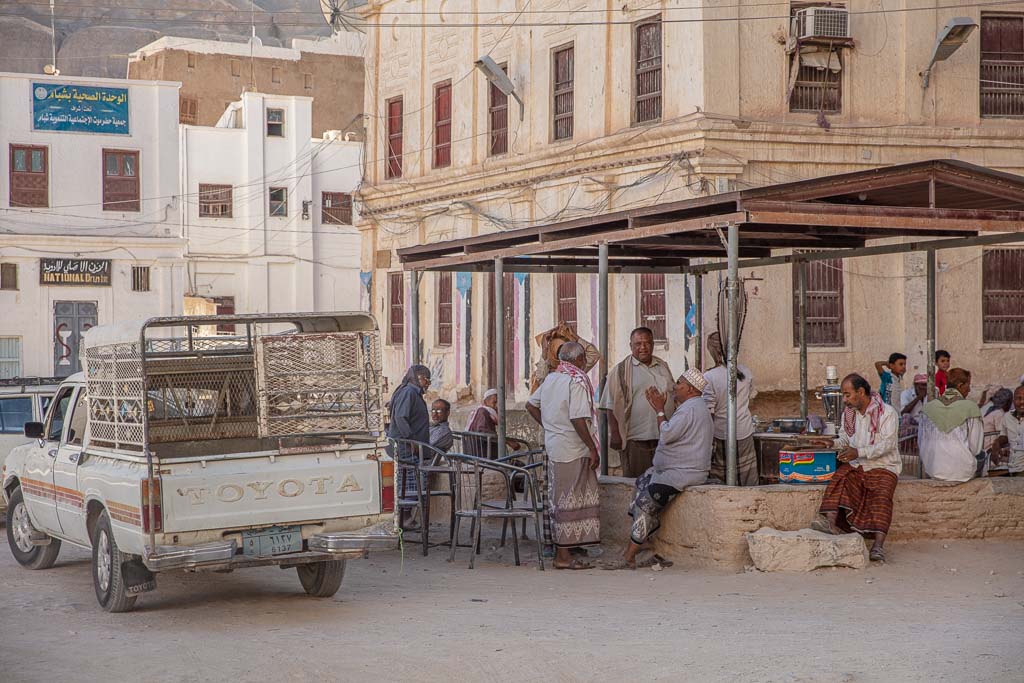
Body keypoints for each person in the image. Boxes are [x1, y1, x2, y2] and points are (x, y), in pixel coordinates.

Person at [604, 369, 713, 570]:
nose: (675, 387)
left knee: (647, 503)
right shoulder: (693, 406)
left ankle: (629, 556)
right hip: (673, 470)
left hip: (683, 473)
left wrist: (660, 410)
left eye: (679, 383)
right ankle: (644, 543)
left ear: (690, 389)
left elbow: (667, 434)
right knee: (642, 482)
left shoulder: (691, 409)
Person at [526, 342, 601, 570]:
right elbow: (578, 418)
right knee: (568, 500)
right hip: (572, 448)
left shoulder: (551, 379)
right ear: (578, 360)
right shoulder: (575, 381)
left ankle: (566, 551)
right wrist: (592, 447)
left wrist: (549, 426)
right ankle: (563, 556)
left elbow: (531, 405)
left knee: (564, 498)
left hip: (556, 445)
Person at [810, 374, 900, 563]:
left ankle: (877, 546)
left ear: (861, 392)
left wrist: (859, 452)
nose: (844, 400)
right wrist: (829, 444)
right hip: (858, 463)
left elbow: (888, 445)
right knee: (841, 477)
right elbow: (845, 439)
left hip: (883, 465)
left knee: (882, 494)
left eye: (847, 395)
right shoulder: (849, 414)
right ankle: (830, 524)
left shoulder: (887, 413)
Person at [598, 327, 676, 478]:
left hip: (663, 439)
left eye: (647, 343)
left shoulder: (662, 366)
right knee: (637, 483)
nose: (643, 347)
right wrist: (615, 433)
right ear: (631, 346)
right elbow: (609, 404)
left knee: (661, 484)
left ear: (653, 344)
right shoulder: (620, 371)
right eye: (638, 344)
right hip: (635, 440)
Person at [702, 332, 757, 485]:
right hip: (745, 431)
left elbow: (708, 412)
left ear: (712, 351)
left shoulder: (709, 377)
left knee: (722, 481)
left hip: (721, 434)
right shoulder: (745, 372)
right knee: (748, 480)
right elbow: (749, 399)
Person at [917, 368, 984, 482]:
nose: (969, 389)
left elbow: (921, 443)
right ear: (960, 385)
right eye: (968, 385)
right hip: (962, 472)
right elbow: (976, 448)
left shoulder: (927, 408)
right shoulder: (970, 407)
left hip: (933, 469)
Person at [387, 365, 432, 510]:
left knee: (411, 485)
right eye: (427, 380)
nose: (428, 384)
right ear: (419, 378)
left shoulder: (413, 393)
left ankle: (407, 518)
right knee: (409, 485)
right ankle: (405, 518)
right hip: (405, 448)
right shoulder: (409, 392)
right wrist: (411, 440)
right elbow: (401, 418)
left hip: (410, 447)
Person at [993, 385, 1024, 475]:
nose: (1022, 402)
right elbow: (1004, 436)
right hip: (1013, 467)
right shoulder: (1007, 416)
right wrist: (996, 444)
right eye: (1018, 398)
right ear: (1013, 401)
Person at [982, 388, 1013, 457]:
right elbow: (1002, 435)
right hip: (989, 447)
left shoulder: (991, 410)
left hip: (984, 443)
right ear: (1007, 402)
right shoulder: (999, 413)